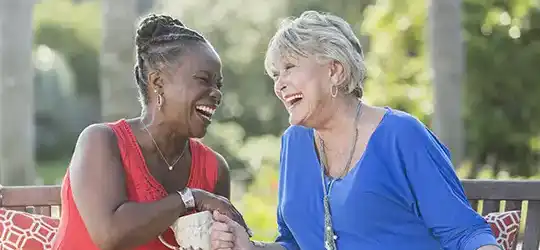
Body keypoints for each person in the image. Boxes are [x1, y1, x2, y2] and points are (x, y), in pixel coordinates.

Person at [209, 10, 501, 250]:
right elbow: (293, 244)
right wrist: (247, 246)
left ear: (335, 71)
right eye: (276, 74)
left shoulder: (401, 135)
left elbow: (464, 234)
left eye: (289, 67)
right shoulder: (294, 142)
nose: (279, 84)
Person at [52, 14, 250, 250]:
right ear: (158, 82)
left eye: (218, 85)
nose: (216, 93)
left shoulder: (214, 168)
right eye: (203, 80)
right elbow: (110, 234)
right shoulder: (102, 141)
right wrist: (190, 198)